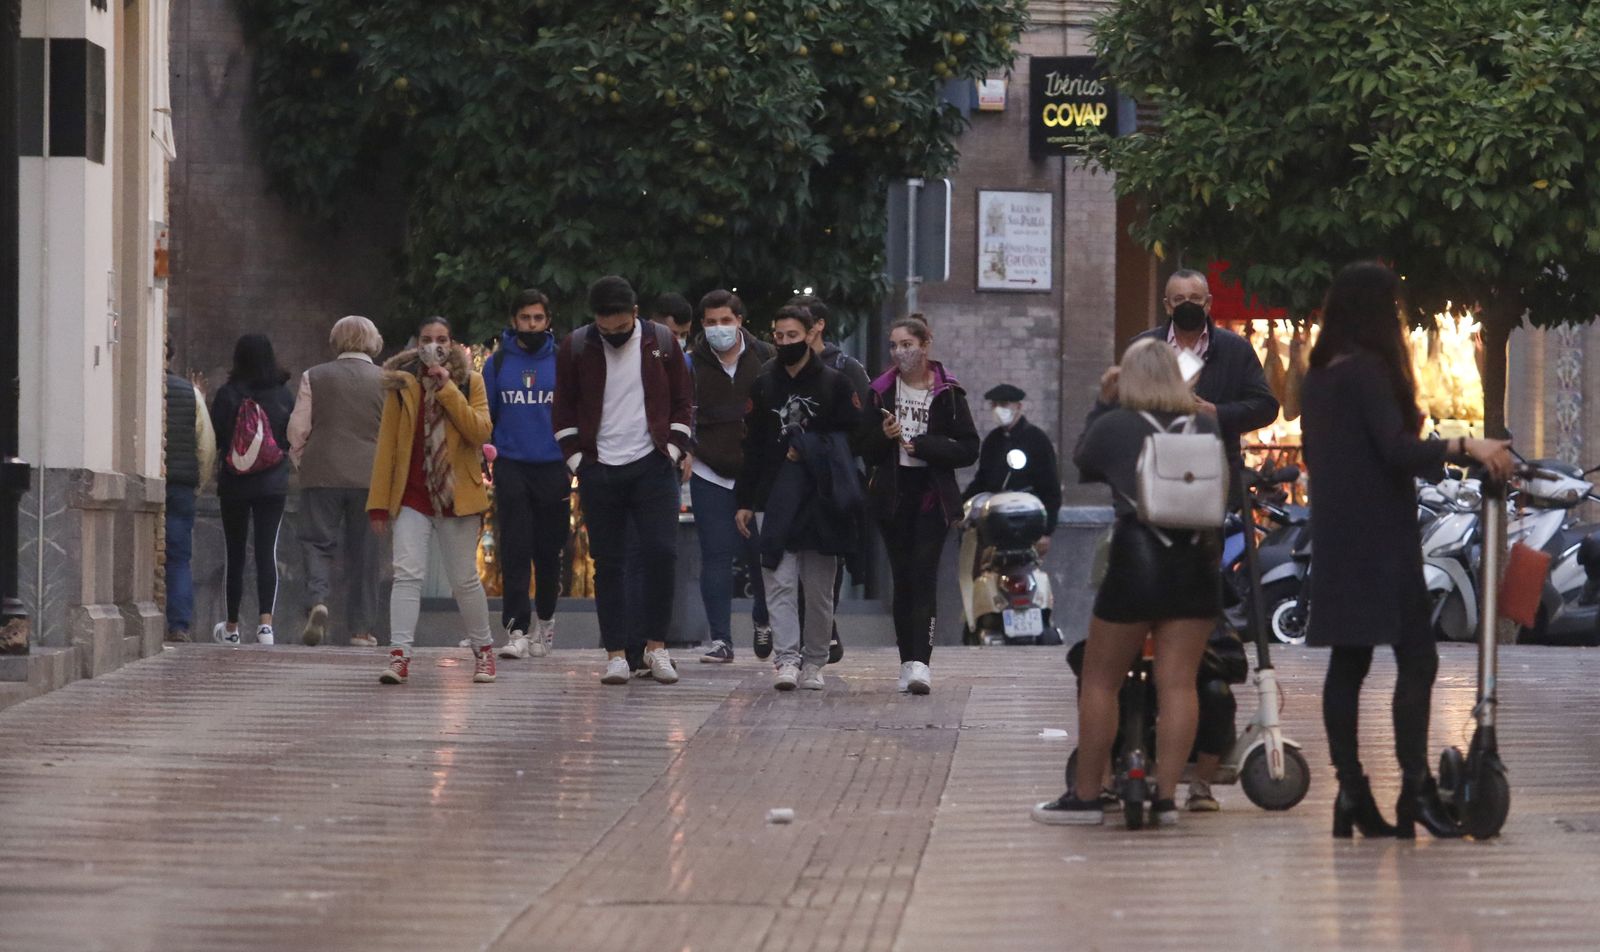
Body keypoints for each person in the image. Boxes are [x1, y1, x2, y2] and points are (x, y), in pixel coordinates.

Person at [1301, 262, 1511, 838]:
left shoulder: (1319, 376)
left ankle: (1351, 793)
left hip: (1339, 538)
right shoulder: (1368, 372)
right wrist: (1464, 443)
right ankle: (1414, 790)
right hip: (1380, 539)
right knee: (1417, 658)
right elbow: (1394, 451)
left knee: (1350, 662)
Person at [1032, 339, 1222, 828]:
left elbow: (1082, 461)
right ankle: (1165, 799)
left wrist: (1103, 400)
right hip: (1196, 560)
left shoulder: (1116, 425)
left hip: (1137, 559)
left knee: (1100, 679)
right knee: (1179, 683)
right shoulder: (1205, 423)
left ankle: (1088, 795)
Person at [553, 275, 693, 686]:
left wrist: (671, 450)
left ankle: (656, 648)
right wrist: (579, 461)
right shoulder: (577, 346)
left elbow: (684, 400)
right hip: (600, 469)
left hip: (652, 464)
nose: (612, 335)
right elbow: (562, 407)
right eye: (604, 329)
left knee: (662, 555)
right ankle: (616, 654)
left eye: (620, 327)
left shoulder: (662, 343)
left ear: (635, 314)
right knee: (608, 562)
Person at [734, 305, 862, 691]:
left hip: (821, 499)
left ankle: (814, 661)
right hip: (772, 498)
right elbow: (752, 446)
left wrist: (808, 448)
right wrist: (744, 500)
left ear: (810, 334)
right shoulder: (763, 384)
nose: (786, 342)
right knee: (778, 583)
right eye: (779, 335)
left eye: (793, 335)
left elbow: (854, 438)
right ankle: (786, 659)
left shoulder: (836, 384)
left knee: (820, 590)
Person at [367, 316, 498, 686]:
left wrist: (447, 390)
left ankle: (483, 651)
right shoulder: (401, 385)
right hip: (412, 495)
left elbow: (480, 430)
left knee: (464, 580)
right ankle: (399, 655)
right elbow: (387, 447)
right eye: (426, 339)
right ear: (416, 342)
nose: (433, 346)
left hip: (458, 494)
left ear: (452, 343)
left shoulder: (470, 381)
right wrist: (378, 503)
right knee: (407, 575)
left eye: (441, 339)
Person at [862, 316, 979, 695]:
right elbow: (863, 449)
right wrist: (883, 436)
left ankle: (921, 664)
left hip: (933, 495)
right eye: (894, 345)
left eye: (907, 344)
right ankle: (905, 660)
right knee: (903, 578)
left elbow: (969, 448)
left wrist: (927, 445)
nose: (900, 352)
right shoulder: (880, 391)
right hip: (894, 493)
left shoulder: (949, 393)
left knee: (924, 574)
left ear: (926, 344)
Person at [287, 315, 386, 648]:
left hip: (322, 469)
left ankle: (318, 600)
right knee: (366, 553)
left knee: (316, 541)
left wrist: (302, 460)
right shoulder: (387, 379)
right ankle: (361, 629)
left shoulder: (314, 376)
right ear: (373, 341)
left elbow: (298, 428)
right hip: (370, 476)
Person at [688, 289, 775, 664]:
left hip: (759, 474)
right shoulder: (689, 364)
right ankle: (721, 639)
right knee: (716, 555)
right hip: (709, 471)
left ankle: (763, 618)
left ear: (740, 320)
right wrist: (686, 449)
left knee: (763, 556)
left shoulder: (766, 357)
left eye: (725, 320)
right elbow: (681, 410)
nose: (718, 328)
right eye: (710, 322)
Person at [484, 289, 571, 660]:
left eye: (538, 318)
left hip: (554, 465)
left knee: (549, 551)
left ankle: (546, 622)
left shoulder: (566, 360)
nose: (532, 325)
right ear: (513, 320)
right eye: (525, 318)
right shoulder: (498, 363)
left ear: (548, 321)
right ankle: (516, 629)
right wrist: (487, 455)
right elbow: (485, 415)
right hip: (511, 465)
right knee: (515, 548)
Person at [1126, 269, 1279, 467]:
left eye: (1195, 298)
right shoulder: (1143, 348)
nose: (1187, 305)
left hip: (1218, 470)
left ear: (1208, 303)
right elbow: (1124, 406)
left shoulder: (1235, 349)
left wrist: (1217, 413)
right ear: (1167, 306)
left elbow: (1266, 407)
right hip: (1156, 468)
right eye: (1179, 299)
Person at [790, 293, 871, 666]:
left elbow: (862, 424)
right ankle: (803, 638)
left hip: (832, 476)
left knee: (826, 559)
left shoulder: (845, 367)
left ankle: (822, 633)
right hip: (790, 478)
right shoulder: (779, 369)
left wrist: (824, 450)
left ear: (817, 326)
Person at [209, 334, 296, 646]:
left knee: (234, 553)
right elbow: (290, 437)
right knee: (266, 551)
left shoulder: (227, 394)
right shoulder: (284, 395)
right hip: (272, 483)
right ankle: (265, 626)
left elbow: (218, 437)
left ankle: (232, 627)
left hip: (234, 483)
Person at [962, 383, 1062, 553]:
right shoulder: (992, 441)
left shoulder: (1036, 439)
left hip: (1026, 522)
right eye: (994, 405)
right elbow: (982, 480)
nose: (998, 409)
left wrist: (1046, 531)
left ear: (1018, 406)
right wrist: (961, 507)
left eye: (1004, 404)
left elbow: (1050, 488)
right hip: (995, 522)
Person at [163, 343, 215, 643]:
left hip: (157, 480)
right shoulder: (189, 392)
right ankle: (179, 623)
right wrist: (199, 483)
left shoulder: (147, 387)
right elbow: (205, 444)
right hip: (182, 485)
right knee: (179, 557)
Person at [653, 291, 695, 372]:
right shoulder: (637, 359)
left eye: (683, 335)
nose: (678, 340)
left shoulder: (687, 364)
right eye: (673, 333)